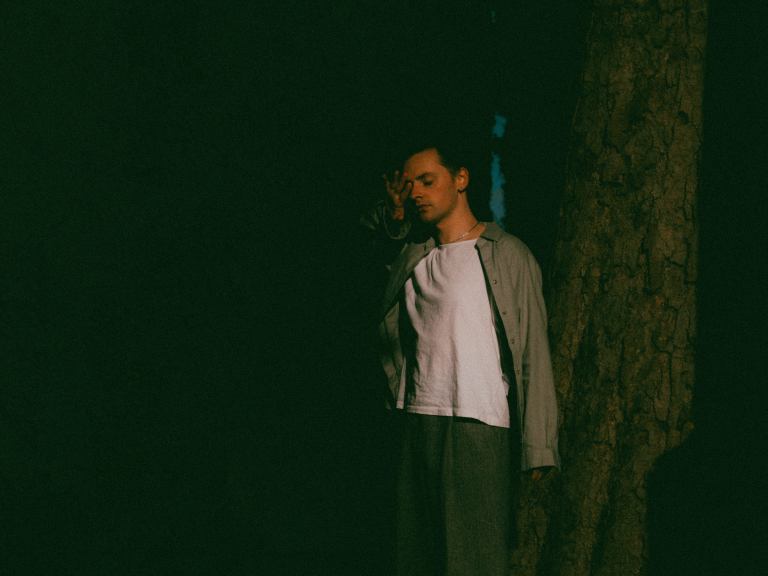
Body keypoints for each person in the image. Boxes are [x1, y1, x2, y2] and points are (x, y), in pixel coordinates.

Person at [360, 137, 560, 576]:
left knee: (474, 559)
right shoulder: (411, 253)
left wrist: (539, 444)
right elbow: (367, 238)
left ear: (461, 179)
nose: (417, 193)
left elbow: (533, 350)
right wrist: (394, 212)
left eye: (427, 181)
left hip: (478, 424)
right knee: (415, 557)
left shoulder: (506, 253)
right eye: (410, 185)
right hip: (416, 417)